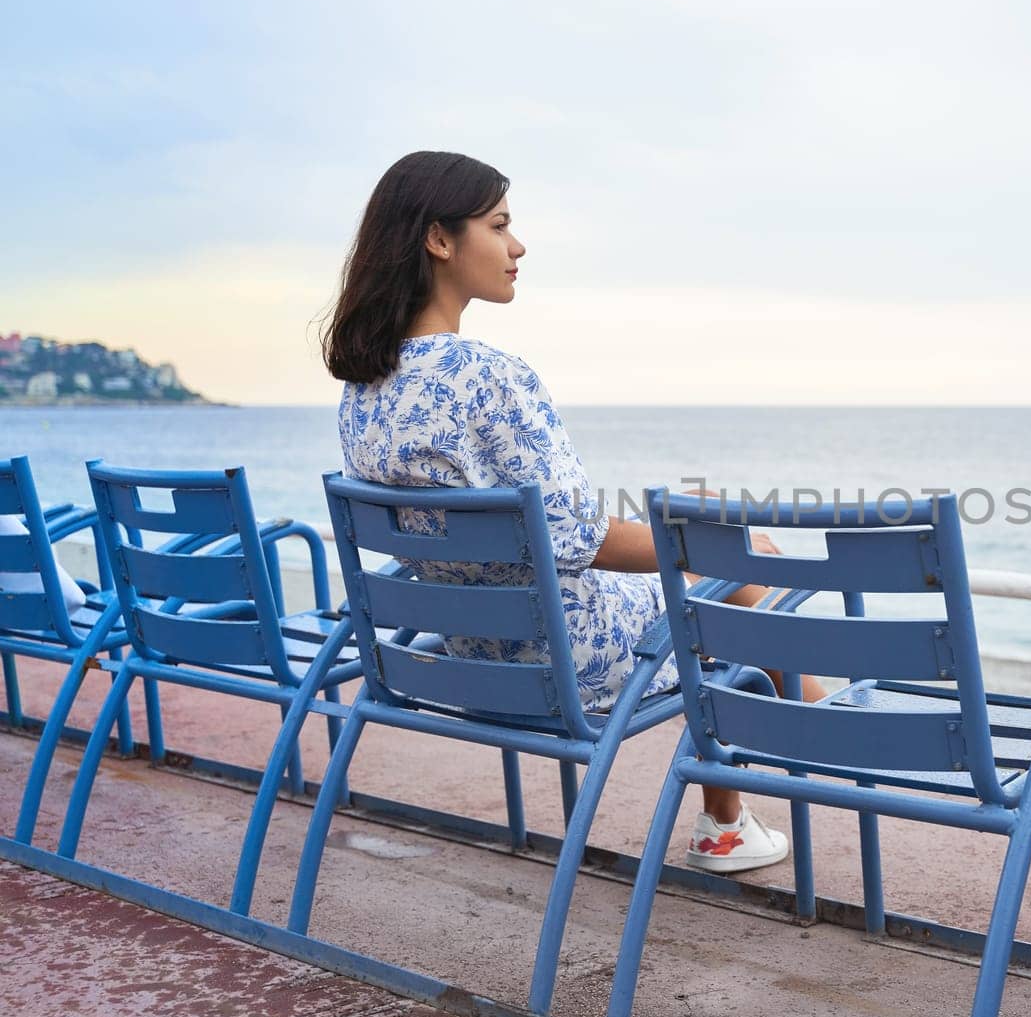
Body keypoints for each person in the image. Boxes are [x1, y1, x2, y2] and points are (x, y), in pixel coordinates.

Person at [321, 151, 821, 873]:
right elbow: (582, 541)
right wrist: (710, 544)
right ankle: (822, 736)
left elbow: (481, 528)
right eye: (499, 225)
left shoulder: (364, 389)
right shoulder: (493, 375)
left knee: (707, 543)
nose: (517, 246)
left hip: (463, 654)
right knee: (729, 574)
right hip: (559, 655)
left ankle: (743, 806)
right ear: (439, 239)